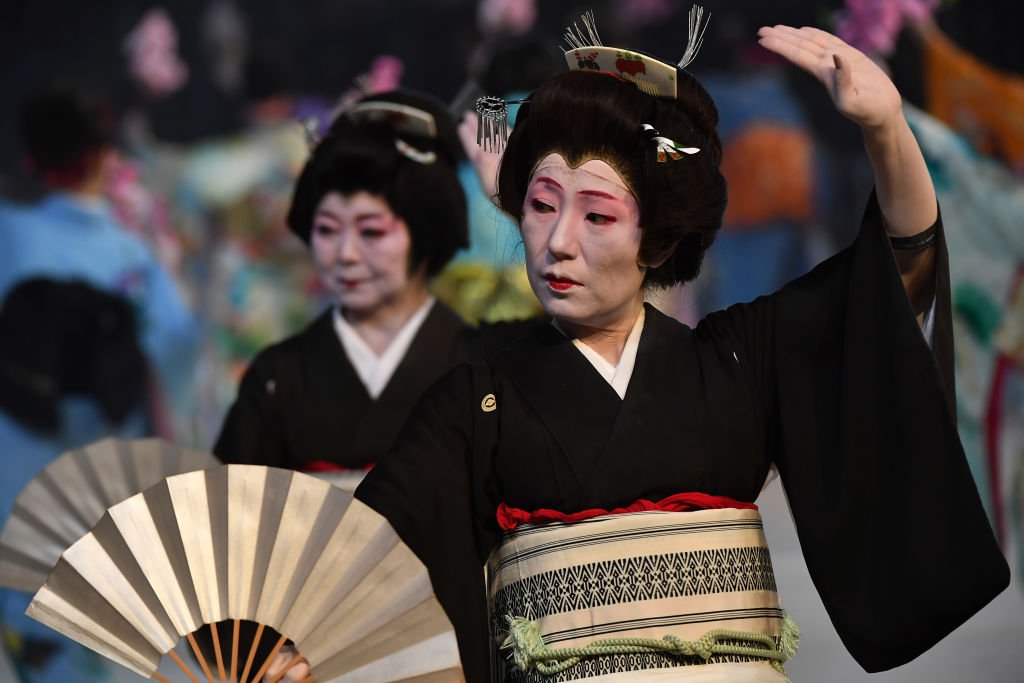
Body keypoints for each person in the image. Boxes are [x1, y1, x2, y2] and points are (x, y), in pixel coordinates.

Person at [349, 17, 1010, 683]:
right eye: (542, 205)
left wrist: (887, 131)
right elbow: (360, 567)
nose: (558, 242)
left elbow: (897, 278)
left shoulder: (736, 362)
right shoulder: (478, 401)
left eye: (598, 215)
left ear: (658, 239)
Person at [0, 84, 197, 683]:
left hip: (14, 459)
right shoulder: (127, 253)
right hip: (104, 461)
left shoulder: (6, 235)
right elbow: (178, 340)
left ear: (31, 160)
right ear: (106, 155)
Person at [213, 90, 478, 479]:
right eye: (327, 230)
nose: (346, 254)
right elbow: (237, 516)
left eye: (371, 231)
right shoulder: (276, 378)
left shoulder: (476, 368)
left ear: (425, 232)